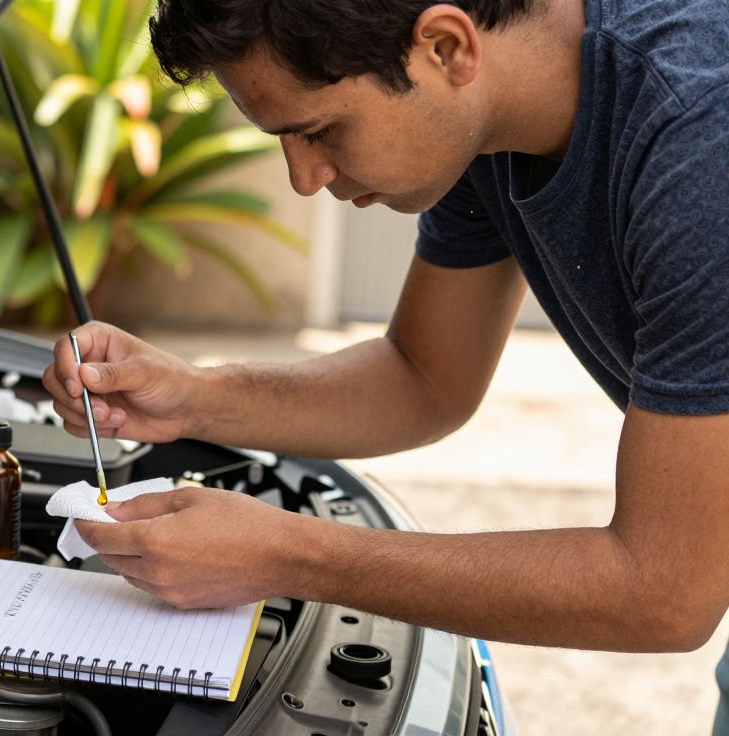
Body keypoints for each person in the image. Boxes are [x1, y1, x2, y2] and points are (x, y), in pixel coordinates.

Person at [41, 0, 729, 726]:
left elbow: (666, 590)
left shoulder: (698, 141)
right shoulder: (475, 121)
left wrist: (291, 555)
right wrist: (193, 396)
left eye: (322, 129)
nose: (305, 177)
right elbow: (425, 376)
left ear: (444, 46)